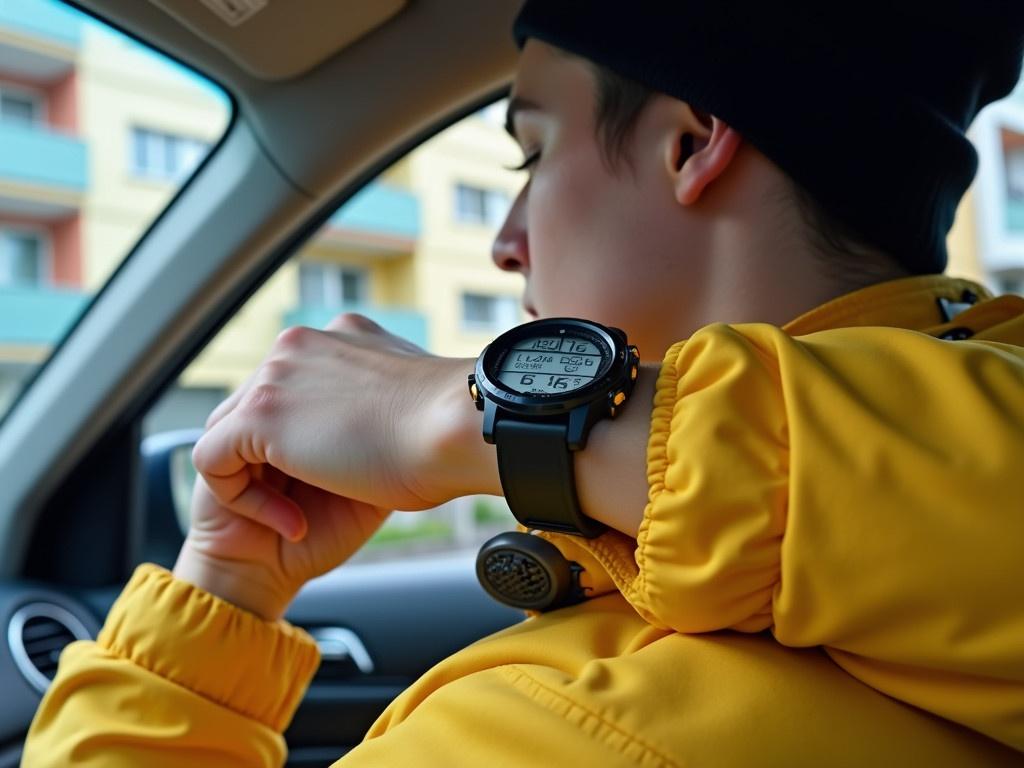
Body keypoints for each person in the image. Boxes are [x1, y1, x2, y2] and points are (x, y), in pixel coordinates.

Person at [23, 2, 1024, 765]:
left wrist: (223, 594)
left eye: (532, 155)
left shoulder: (551, 731)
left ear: (689, 143)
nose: (505, 245)